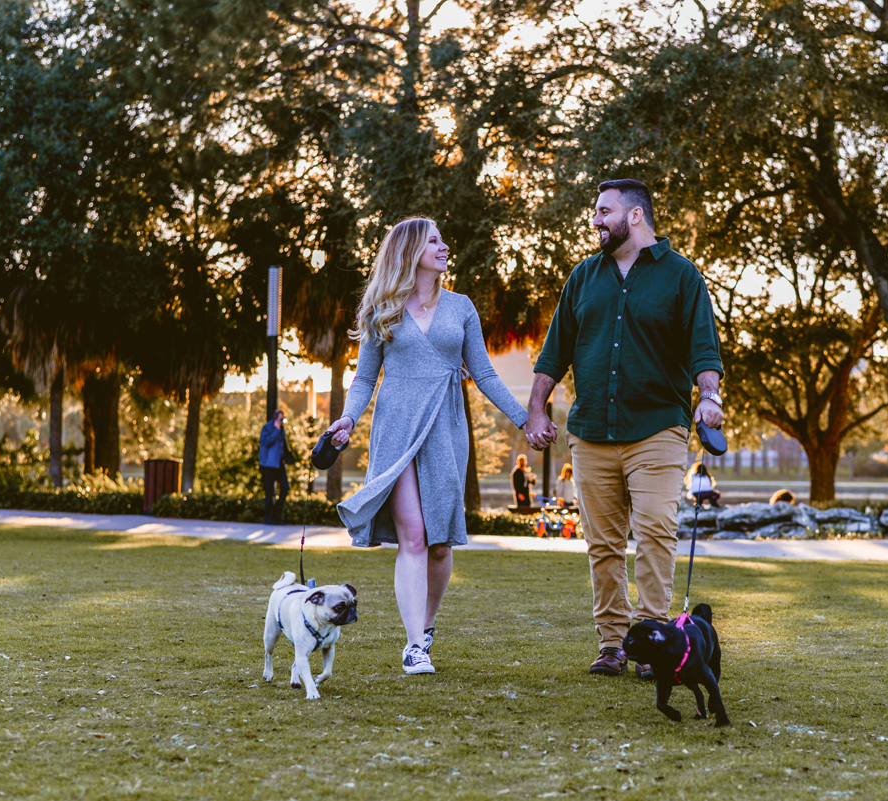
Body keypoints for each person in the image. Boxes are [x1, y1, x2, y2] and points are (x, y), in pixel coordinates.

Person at [524, 179, 724, 679]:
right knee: (603, 544)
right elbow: (554, 353)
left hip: (658, 427)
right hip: (591, 431)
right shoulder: (584, 277)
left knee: (656, 530)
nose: (595, 221)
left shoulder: (682, 277)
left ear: (635, 216)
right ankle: (613, 645)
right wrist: (536, 409)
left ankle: (654, 637)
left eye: (603, 211)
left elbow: (704, 348)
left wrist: (710, 397)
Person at [325, 217, 529, 676]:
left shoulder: (461, 307)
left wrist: (525, 418)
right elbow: (363, 379)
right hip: (396, 429)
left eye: (442, 238)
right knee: (413, 536)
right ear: (411, 249)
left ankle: (427, 626)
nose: (444, 245)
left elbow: (487, 374)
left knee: (440, 543)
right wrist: (348, 419)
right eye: (434, 240)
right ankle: (415, 645)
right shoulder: (383, 307)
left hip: (445, 428)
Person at [259, 409, 294, 525]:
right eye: (281, 419)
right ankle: (268, 518)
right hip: (269, 465)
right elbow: (266, 442)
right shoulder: (268, 428)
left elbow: (283, 445)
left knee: (285, 487)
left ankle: (277, 514)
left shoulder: (281, 429)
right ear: (275, 418)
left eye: (283, 419)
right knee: (269, 492)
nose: (282, 421)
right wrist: (276, 429)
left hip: (280, 464)